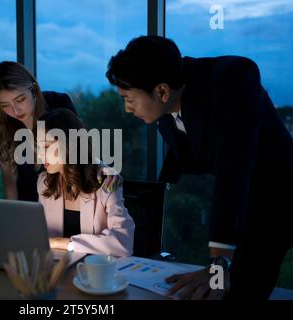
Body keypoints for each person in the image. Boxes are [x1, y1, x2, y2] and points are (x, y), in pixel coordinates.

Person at [106, 35, 293, 299]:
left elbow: (233, 175)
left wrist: (218, 264)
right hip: (244, 201)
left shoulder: (234, 80)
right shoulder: (168, 99)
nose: (127, 108)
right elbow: (184, 144)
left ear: (161, 91)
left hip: (279, 197)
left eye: (129, 98)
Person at [0, 61, 120, 201]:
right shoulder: (4, 125)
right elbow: (10, 184)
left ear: (33, 89)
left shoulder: (58, 104)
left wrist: (102, 167)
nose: (15, 110)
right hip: (29, 207)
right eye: (5, 105)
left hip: (69, 201)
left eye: (20, 100)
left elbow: (81, 150)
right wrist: (13, 213)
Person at [36, 109, 134, 256]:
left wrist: (62, 243)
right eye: (37, 147)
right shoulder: (45, 182)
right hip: (58, 268)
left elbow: (123, 243)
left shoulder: (105, 181)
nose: (39, 155)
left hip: (97, 271)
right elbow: (40, 236)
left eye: (46, 147)